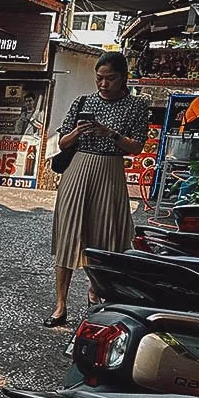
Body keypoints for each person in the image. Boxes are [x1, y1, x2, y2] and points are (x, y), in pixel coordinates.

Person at [47, 51, 150, 327]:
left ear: (123, 78)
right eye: (99, 78)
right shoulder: (83, 101)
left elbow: (137, 147)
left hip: (110, 171)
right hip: (77, 170)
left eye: (110, 79)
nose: (103, 84)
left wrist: (110, 134)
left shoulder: (136, 106)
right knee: (69, 234)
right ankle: (60, 304)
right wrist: (79, 132)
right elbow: (62, 143)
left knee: (105, 236)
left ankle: (96, 291)